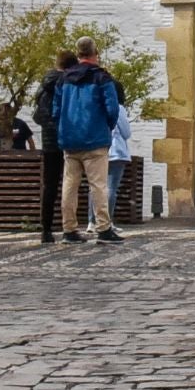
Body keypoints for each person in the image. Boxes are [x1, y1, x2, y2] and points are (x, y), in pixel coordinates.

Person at [57, 37, 125, 244]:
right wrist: (108, 126)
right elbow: (112, 108)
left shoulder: (64, 79)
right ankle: (103, 227)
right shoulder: (102, 77)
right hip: (95, 137)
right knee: (98, 185)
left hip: (70, 138)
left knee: (70, 184)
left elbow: (56, 109)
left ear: (78, 54)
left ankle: (69, 228)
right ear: (96, 53)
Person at [34, 51, 77, 244]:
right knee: (70, 183)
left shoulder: (44, 85)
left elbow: (38, 115)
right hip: (66, 138)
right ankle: (69, 227)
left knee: (49, 185)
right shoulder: (67, 83)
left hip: (48, 140)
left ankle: (46, 229)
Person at [97, 82, 135, 231]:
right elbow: (126, 133)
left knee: (96, 187)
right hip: (116, 151)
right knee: (111, 188)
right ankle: (107, 221)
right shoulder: (119, 108)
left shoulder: (98, 106)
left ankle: (92, 221)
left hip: (99, 148)